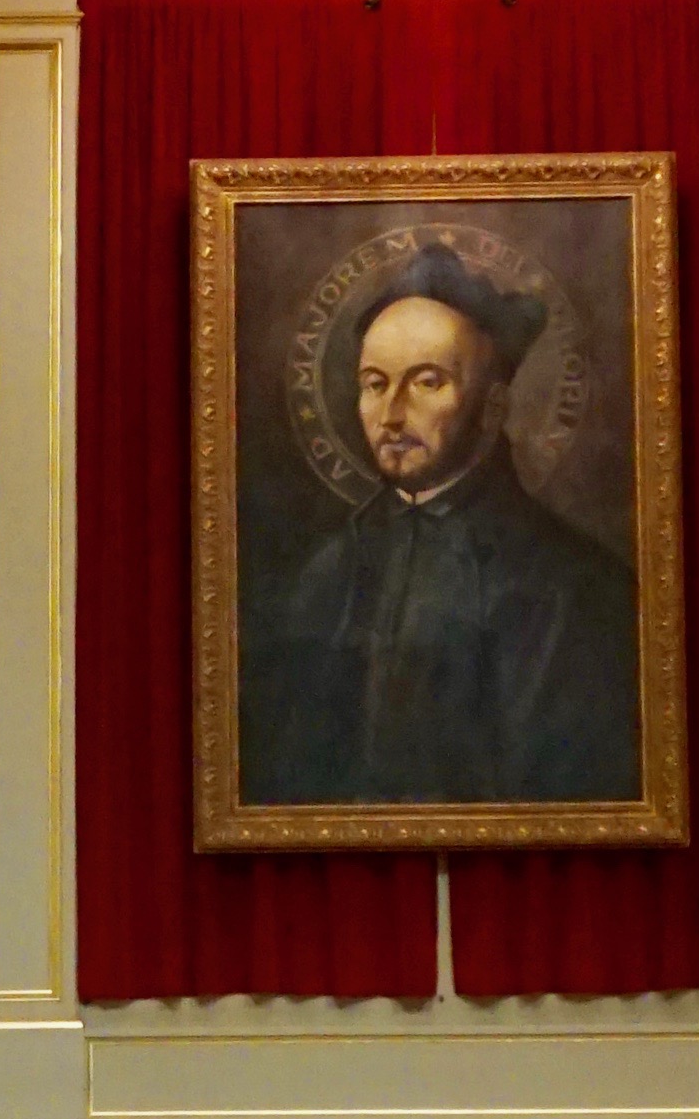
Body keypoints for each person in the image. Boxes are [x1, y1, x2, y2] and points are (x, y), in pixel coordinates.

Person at [248, 246, 640, 805]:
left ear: (495, 406)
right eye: (375, 383)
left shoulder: (574, 589)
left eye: (427, 382)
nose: (392, 414)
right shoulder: (327, 571)